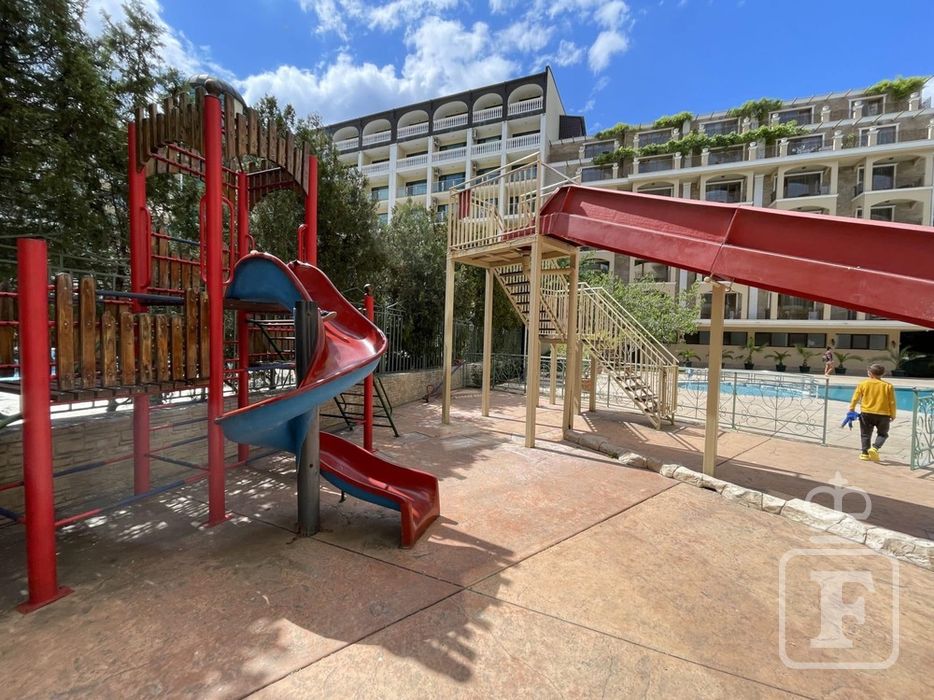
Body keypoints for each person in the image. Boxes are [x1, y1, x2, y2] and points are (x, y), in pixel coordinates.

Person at [848, 363, 897, 462]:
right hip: (884, 414)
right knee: (883, 434)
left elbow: (855, 398)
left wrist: (851, 409)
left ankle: (864, 454)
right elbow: (892, 402)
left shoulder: (863, 384)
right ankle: (875, 448)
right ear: (883, 374)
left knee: (865, 434)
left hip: (866, 413)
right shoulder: (888, 386)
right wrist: (893, 414)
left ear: (869, 373)